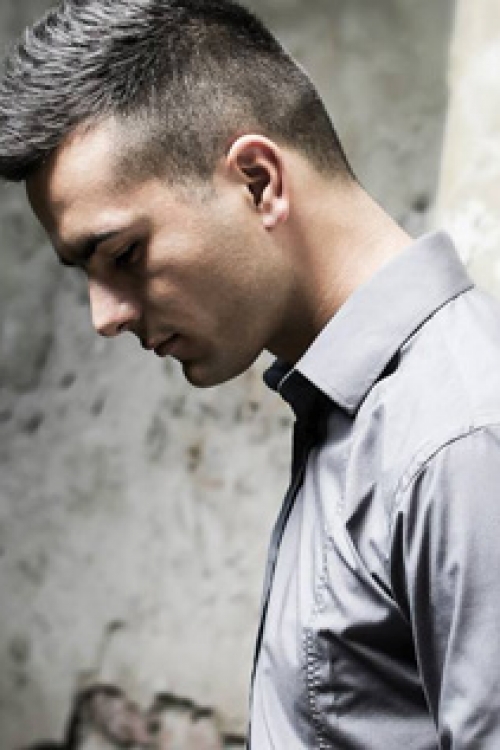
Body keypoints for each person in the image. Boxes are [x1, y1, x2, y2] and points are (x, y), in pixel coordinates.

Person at [1, 1, 500, 748]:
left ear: (259, 181)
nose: (104, 316)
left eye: (123, 255)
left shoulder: (458, 440)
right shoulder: (355, 418)